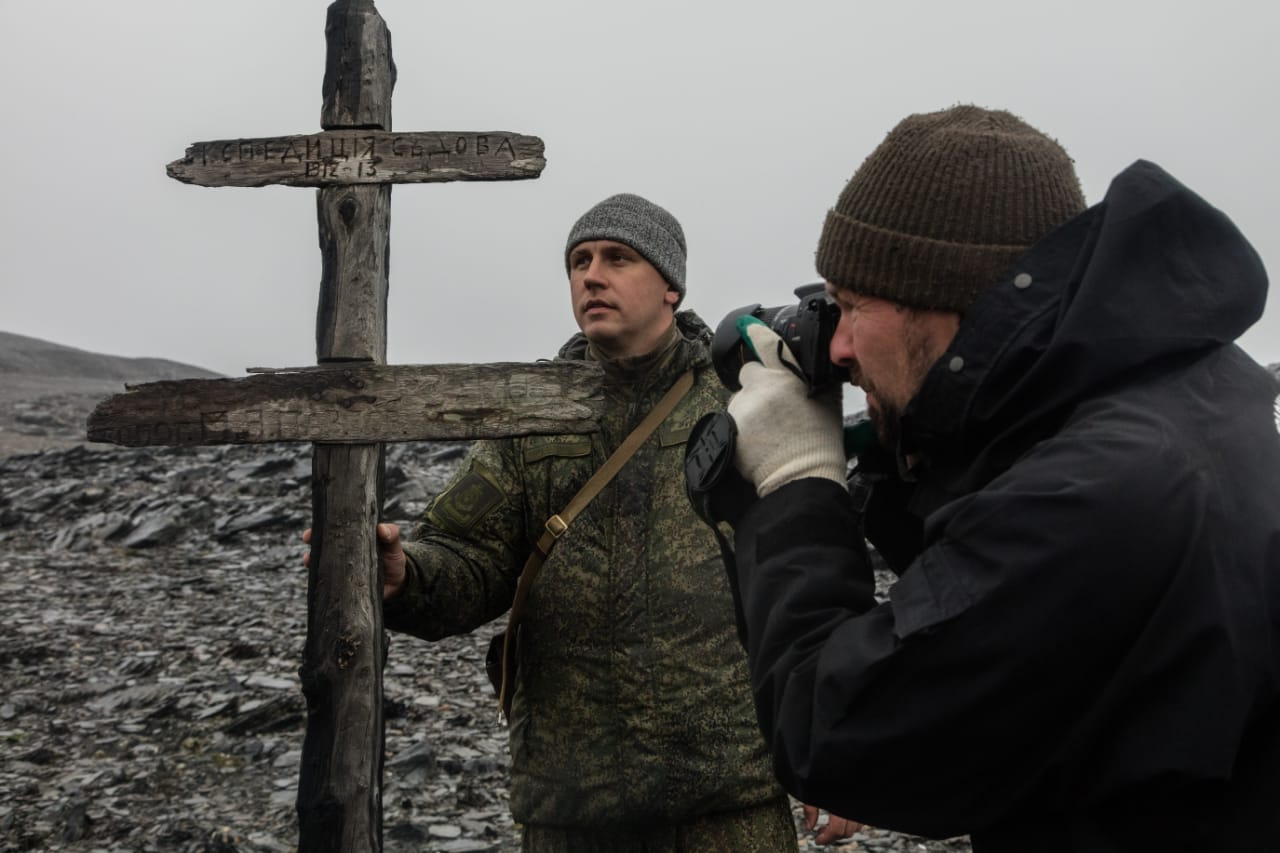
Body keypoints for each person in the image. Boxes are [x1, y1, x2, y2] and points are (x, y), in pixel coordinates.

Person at [716, 106, 1280, 851]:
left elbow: (840, 734)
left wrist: (795, 482)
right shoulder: (1175, 389)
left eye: (853, 305)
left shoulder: (1086, 495)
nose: (840, 343)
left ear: (947, 298)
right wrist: (899, 447)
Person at [364, 194, 857, 850]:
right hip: (573, 806)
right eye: (578, 261)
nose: (590, 275)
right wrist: (406, 573)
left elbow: (812, 572)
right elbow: (467, 553)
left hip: (728, 794)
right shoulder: (534, 412)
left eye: (617, 258)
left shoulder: (743, 400)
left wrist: (834, 749)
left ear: (670, 287)